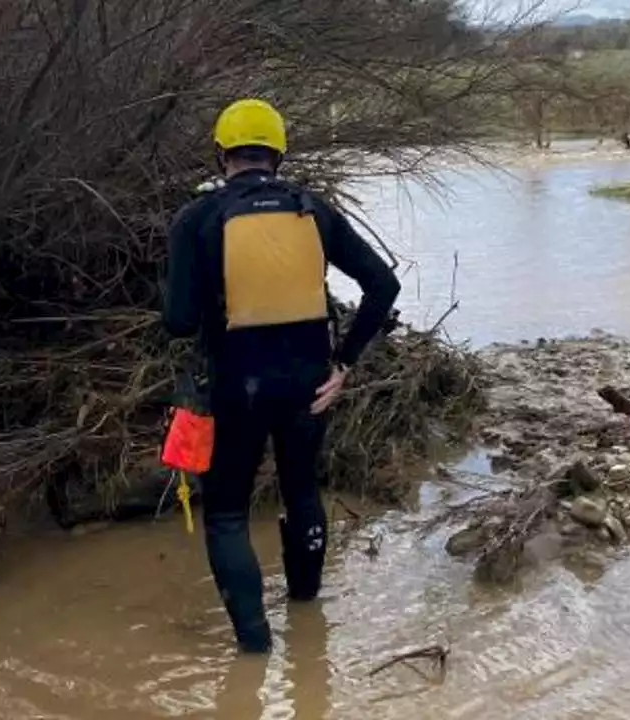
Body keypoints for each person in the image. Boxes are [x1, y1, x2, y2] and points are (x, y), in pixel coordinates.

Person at [162, 98, 401, 653]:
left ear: (221, 154)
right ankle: (307, 627)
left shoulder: (197, 218)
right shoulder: (313, 209)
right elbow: (382, 286)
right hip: (310, 388)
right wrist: (343, 364)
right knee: (300, 491)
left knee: (225, 515)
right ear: (279, 153)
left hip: (235, 390)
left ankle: (254, 651)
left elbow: (178, 322)